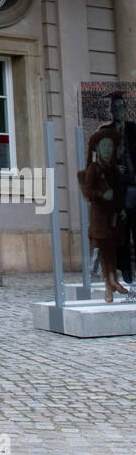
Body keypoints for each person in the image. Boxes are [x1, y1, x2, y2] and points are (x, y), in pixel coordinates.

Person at [78, 129, 129, 304]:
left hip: (113, 217)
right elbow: (88, 191)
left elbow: (119, 192)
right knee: (105, 250)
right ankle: (110, 283)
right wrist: (101, 194)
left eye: (110, 146)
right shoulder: (94, 168)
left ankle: (111, 285)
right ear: (98, 149)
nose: (107, 149)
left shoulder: (113, 170)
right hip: (100, 218)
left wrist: (121, 208)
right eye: (104, 146)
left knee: (111, 250)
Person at [97, 91, 136, 285]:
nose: (119, 111)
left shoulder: (133, 129)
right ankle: (126, 271)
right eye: (116, 107)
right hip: (118, 190)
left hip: (134, 186)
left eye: (122, 107)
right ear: (111, 110)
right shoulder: (104, 131)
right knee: (122, 232)